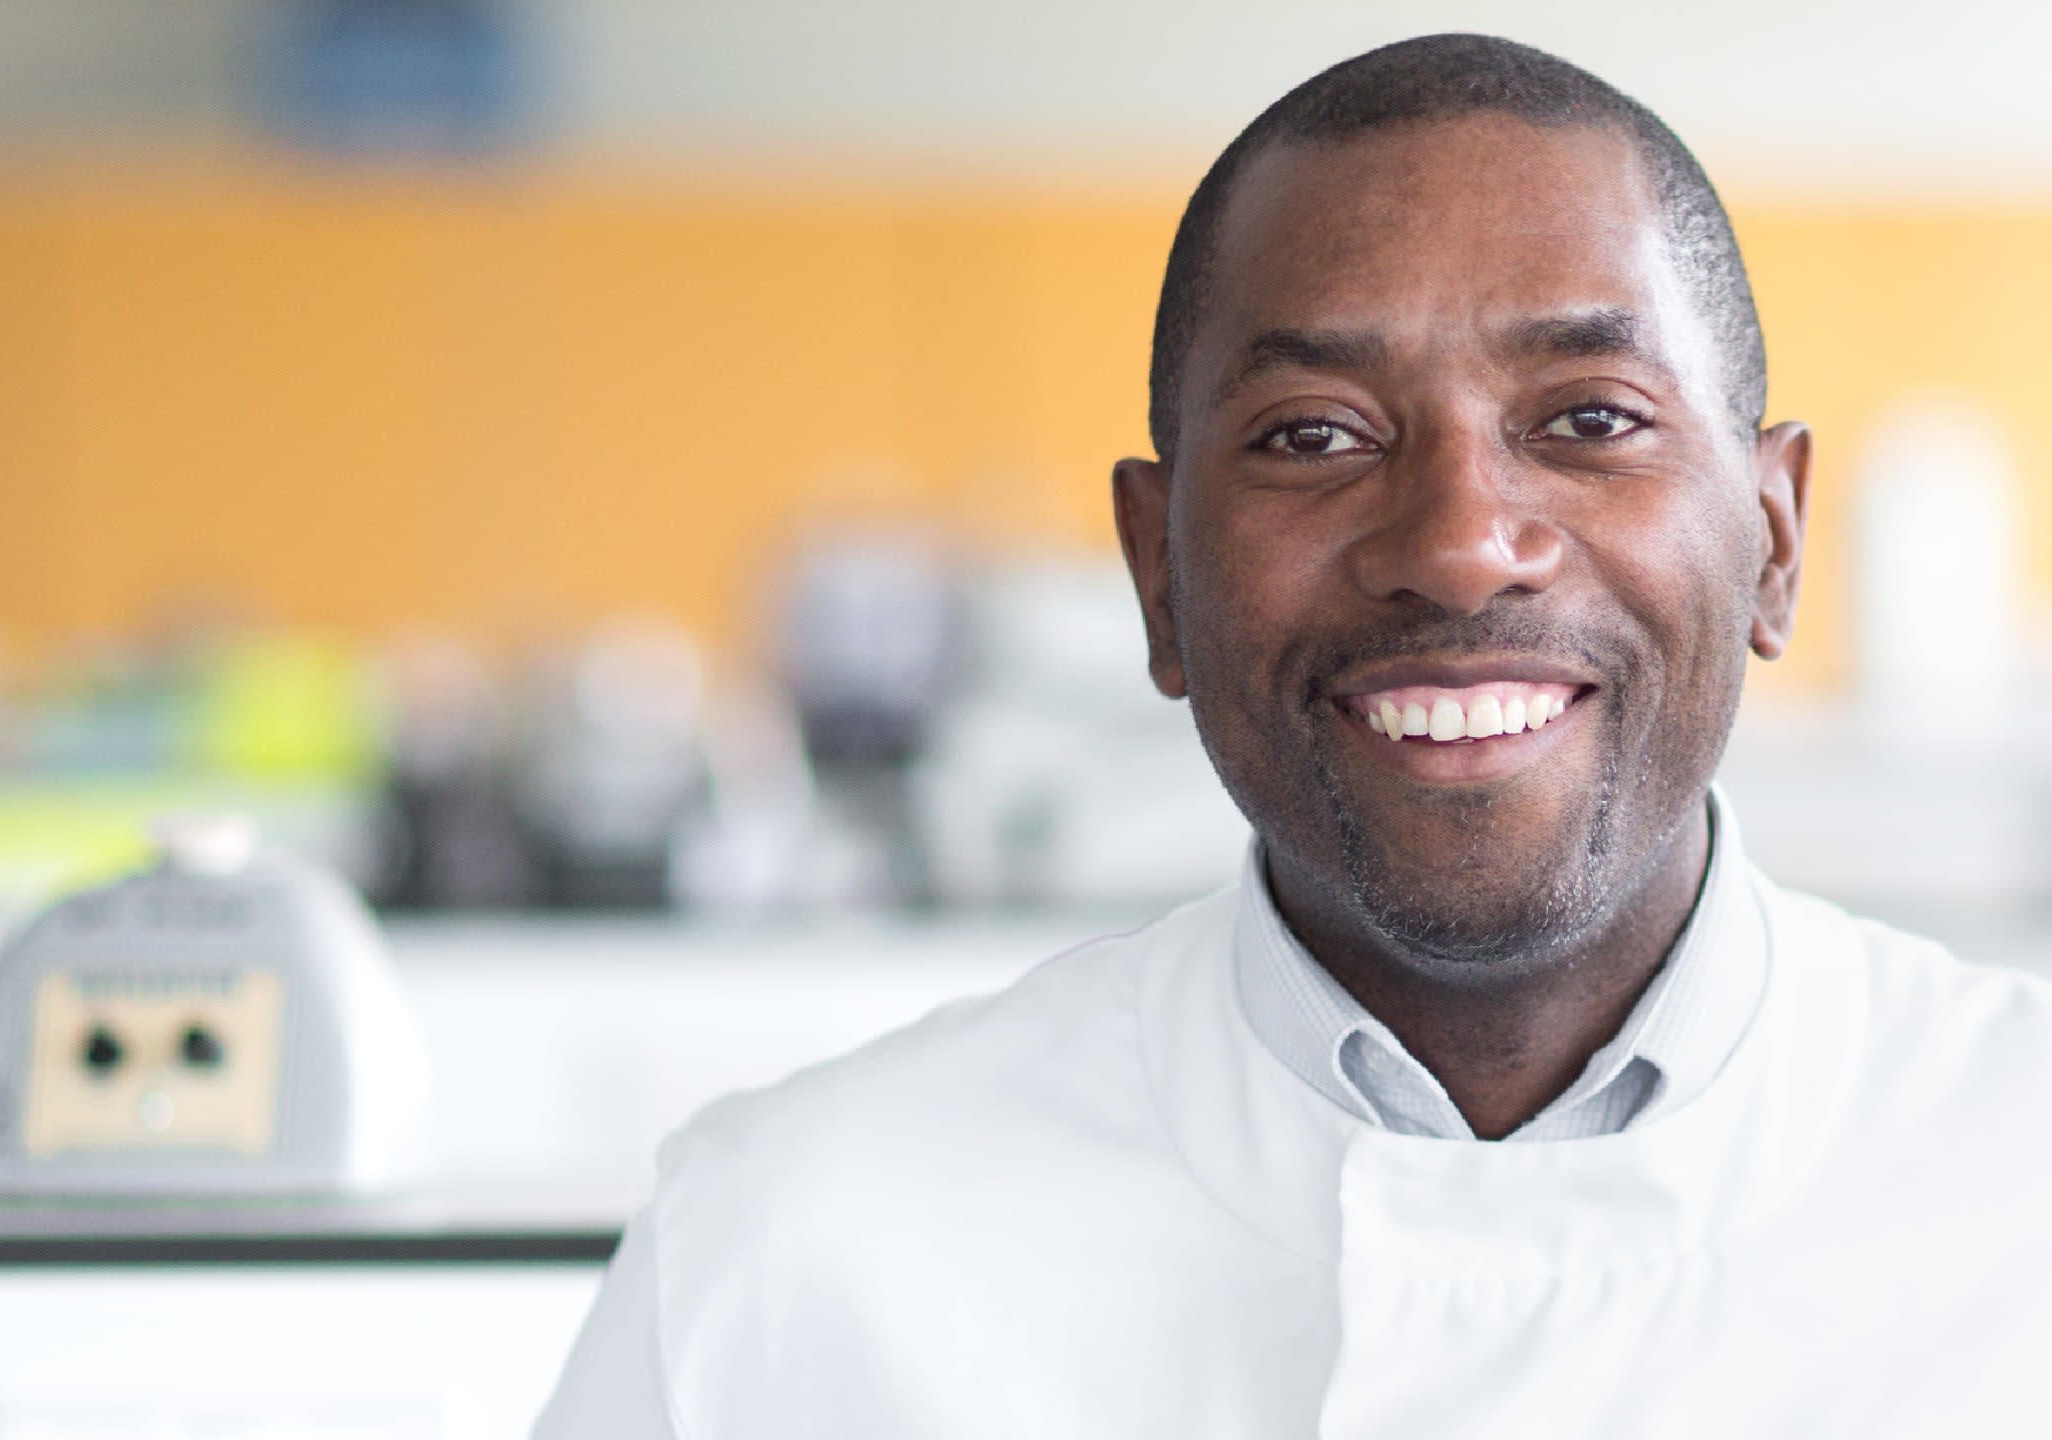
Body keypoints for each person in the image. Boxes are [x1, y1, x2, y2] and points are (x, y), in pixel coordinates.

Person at [534, 33, 2052, 1437]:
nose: (1458, 546)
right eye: (1316, 435)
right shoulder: (776, 1271)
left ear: (1775, 539)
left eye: (1590, 418)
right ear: (1158, 576)